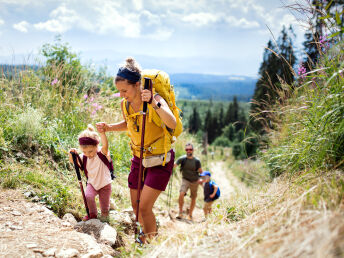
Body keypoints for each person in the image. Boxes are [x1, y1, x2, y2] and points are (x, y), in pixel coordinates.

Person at [96, 57, 176, 242]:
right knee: (135, 205)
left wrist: (155, 105)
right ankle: (145, 237)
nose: (122, 94)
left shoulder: (155, 98)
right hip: (139, 158)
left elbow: (171, 122)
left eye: (125, 90)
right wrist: (109, 127)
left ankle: (151, 243)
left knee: (145, 207)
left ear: (137, 84)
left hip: (159, 159)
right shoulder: (125, 104)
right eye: (119, 91)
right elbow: (129, 123)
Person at [68, 124, 112, 222]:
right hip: (92, 183)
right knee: (88, 196)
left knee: (104, 205)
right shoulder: (84, 157)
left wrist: (102, 134)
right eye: (85, 152)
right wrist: (71, 154)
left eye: (91, 151)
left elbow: (105, 145)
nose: (88, 154)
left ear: (97, 146)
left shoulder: (102, 153)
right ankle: (93, 214)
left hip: (105, 184)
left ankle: (105, 214)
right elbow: (73, 162)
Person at [174, 143, 202, 220]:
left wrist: (203, 179)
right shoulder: (182, 159)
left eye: (190, 149)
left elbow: (201, 171)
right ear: (185, 150)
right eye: (187, 149)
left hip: (195, 181)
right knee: (181, 193)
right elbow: (174, 165)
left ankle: (190, 214)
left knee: (193, 198)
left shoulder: (197, 161)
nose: (188, 151)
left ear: (193, 150)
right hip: (185, 179)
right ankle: (180, 212)